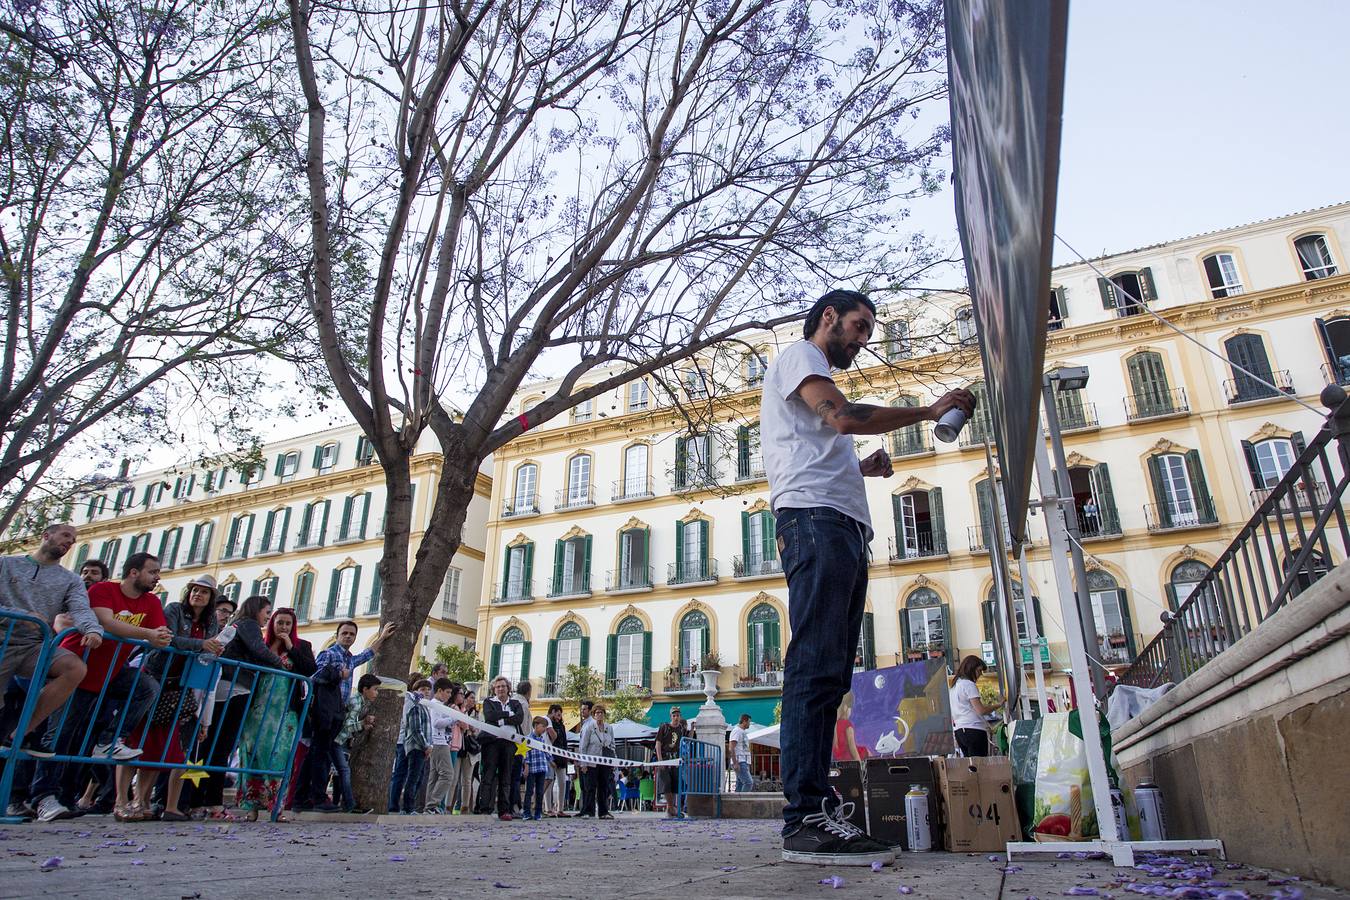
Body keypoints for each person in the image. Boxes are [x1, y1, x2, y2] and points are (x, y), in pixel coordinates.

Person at [762, 288, 974, 867]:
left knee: (830, 671)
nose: (860, 340)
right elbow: (844, 416)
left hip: (838, 523)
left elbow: (810, 448)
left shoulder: (809, 374)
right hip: (818, 524)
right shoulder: (801, 357)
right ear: (827, 317)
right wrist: (930, 411)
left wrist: (860, 469)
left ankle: (817, 809)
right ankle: (803, 819)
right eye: (857, 327)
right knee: (814, 665)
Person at [31, 552, 169, 823]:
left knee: (146, 687)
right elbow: (106, 622)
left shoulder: (151, 601)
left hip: (110, 673)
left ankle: (109, 741)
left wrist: (159, 636)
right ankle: (42, 797)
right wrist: (149, 634)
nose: (157, 577)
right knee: (58, 737)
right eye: (152, 572)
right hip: (77, 672)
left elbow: (160, 632)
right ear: (133, 572)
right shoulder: (103, 590)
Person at [0, 524, 103, 765]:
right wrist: (21, 615)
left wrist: (92, 629)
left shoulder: (70, 580)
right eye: (66, 535)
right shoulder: (6, 564)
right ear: (46, 535)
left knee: (74, 668)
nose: (70, 542)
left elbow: (80, 608)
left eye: (74, 539)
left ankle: (23, 731)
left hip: (33, 646)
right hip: (2, 641)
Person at [137, 575, 224, 821]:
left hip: (185, 684)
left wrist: (212, 647)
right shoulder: (174, 610)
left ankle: (169, 805)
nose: (198, 595)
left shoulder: (210, 622)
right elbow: (168, 638)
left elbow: (211, 645)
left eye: (205, 592)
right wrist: (202, 645)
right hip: (161, 677)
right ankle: (141, 800)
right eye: (195, 590)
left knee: (177, 746)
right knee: (151, 741)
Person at [219, 598, 295, 821]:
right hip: (254, 702)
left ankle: (274, 805)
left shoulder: (298, 647)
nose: (281, 626)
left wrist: (289, 649)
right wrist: (279, 663)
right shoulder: (251, 629)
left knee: (275, 757)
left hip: (278, 711)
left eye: (287, 623)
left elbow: (308, 667)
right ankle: (251, 805)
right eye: (270, 615)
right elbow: (257, 652)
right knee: (249, 754)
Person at [479, 676, 524, 820]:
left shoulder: (515, 703)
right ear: (494, 689)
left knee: (506, 777)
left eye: (503, 686)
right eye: (498, 687)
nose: (500, 689)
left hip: (509, 743)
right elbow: (489, 716)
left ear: (508, 688)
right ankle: (485, 808)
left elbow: (519, 718)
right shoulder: (489, 702)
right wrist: (508, 714)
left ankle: (504, 810)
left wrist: (502, 719)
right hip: (492, 742)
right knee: (489, 776)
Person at [334, 673, 381, 812]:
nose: (376, 693)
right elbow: (347, 725)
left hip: (343, 740)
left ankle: (339, 803)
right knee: (343, 770)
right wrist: (362, 724)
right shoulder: (356, 701)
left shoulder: (362, 702)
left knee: (339, 772)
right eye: (374, 689)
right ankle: (348, 804)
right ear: (365, 689)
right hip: (338, 740)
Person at [950, 655, 1003, 758]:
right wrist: (998, 705)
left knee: (971, 766)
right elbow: (981, 710)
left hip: (959, 731)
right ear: (971, 668)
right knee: (980, 766)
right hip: (974, 729)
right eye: (979, 670)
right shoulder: (969, 685)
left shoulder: (954, 686)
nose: (980, 674)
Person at [423, 678, 459, 813]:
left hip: (441, 741)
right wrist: (453, 718)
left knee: (435, 776)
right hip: (438, 742)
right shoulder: (435, 705)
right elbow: (436, 723)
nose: (449, 695)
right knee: (448, 774)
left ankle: (429, 806)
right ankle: (433, 804)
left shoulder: (439, 705)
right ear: (439, 691)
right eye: (448, 692)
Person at [399, 679, 433, 814]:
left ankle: (411, 806)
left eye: (428, 689)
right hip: (416, 747)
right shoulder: (414, 706)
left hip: (423, 748)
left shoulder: (425, 706)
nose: (426, 692)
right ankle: (407, 807)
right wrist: (426, 745)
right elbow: (415, 729)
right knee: (413, 778)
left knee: (418, 778)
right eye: (423, 689)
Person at [578, 703, 615, 820]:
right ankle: (589, 811)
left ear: (604, 714)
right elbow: (583, 746)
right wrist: (583, 763)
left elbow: (612, 745)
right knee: (590, 786)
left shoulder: (609, 728)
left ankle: (603, 811)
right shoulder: (589, 727)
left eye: (601, 712)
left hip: (604, 762)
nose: (599, 715)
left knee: (604, 786)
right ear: (593, 715)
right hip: (591, 761)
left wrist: (613, 761)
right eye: (597, 713)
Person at [654, 706, 687, 817]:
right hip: (664, 759)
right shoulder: (664, 727)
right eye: (674, 716)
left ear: (680, 716)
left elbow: (685, 741)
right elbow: (658, 743)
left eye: (677, 715)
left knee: (675, 783)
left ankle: (670, 808)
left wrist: (692, 729)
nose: (676, 718)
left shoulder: (681, 729)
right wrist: (660, 760)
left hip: (676, 760)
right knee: (667, 783)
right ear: (671, 717)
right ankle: (671, 807)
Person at [451, 691, 480, 814]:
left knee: (467, 780)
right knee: (454, 778)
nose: (473, 700)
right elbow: (463, 725)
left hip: (470, 750)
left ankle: (464, 806)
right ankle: (450, 806)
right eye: (471, 697)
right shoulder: (457, 709)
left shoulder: (476, 714)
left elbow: (478, 730)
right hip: (458, 747)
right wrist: (467, 727)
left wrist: (471, 729)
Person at [508, 679, 532, 814]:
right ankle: (514, 805)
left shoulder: (512, 701)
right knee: (515, 776)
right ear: (528, 692)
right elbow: (524, 727)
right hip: (519, 743)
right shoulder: (522, 704)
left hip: (512, 742)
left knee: (512, 776)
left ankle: (513, 805)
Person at [521, 716, 551, 820]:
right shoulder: (528, 738)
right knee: (529, 791)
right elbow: (526, 754)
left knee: (540, 791)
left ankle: (538, 812)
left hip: (541, 768)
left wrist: (551, 759)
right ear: (536, 725)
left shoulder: (542, 740)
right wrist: (526, 766)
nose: (544, 729)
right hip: (532, 768)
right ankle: (526, 812)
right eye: (543, 726)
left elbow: (546, 752)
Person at [546, 704, 570, 817]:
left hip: (561, 757)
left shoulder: (562, 726)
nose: (559, 716)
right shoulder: (547, 725)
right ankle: (548, 808)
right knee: (549, 781)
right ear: (552, 712)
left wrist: (565, 755)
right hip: (551, 756)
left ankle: (560, 808)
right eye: (557, 713)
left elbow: (564, 742)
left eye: (560, 714)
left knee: (562, 783)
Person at [572, 699, 595, 815]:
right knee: (583, 786)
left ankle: (588, 809)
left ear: (590, 711)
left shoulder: (591, 724)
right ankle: (584, 809)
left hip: (588, 761)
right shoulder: (585, 724)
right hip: (583, 760)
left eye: (585, 709)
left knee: (588, 787)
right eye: (581, 710)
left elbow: (586, 744)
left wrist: (584, 763)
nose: (582, 712)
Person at [729, 713, 753, 792]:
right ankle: (743, 802)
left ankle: (736, 803)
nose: (749, 724)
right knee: (748, 782)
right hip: (740, 761)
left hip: (743, 761)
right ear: (744, 721)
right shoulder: (737, 731)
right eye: (749, 722)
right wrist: (735, 763)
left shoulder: (742, 731)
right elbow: (731, 747)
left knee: (740, 783)